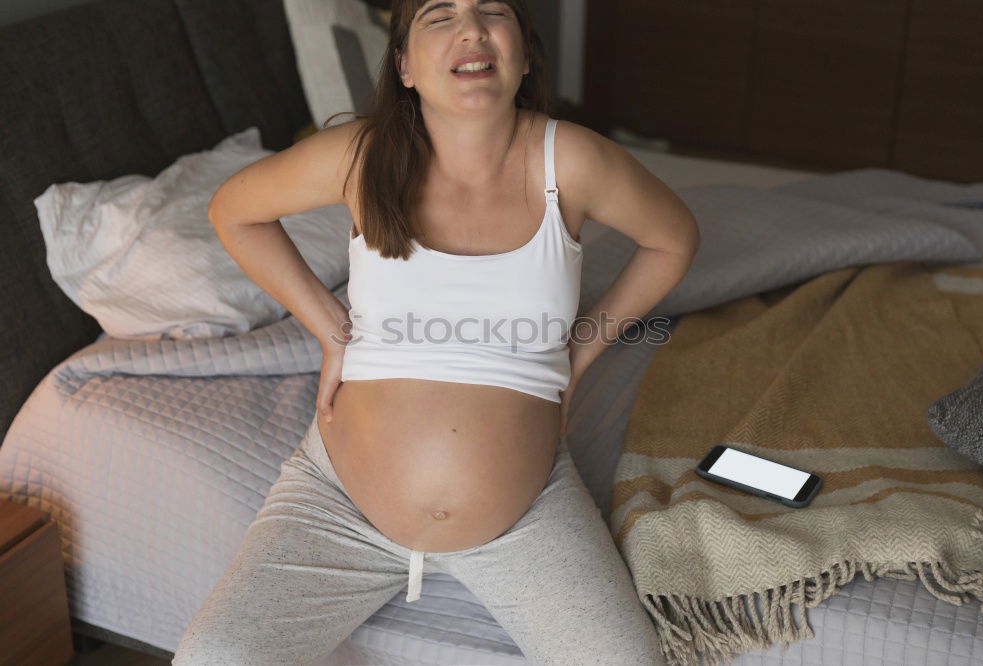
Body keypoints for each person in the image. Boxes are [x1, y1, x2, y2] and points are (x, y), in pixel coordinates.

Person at [172, 0, 699, 664]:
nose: (472, 29)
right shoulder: (362, 155)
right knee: (212, 656)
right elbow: (233, 211)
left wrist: (580, 351)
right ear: (405, 66)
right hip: (338, 504)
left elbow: (673, 238)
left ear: (525, 53)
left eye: (493, 11)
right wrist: (328, 329)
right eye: (440, 15)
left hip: (523, 512)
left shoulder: (571, 160)